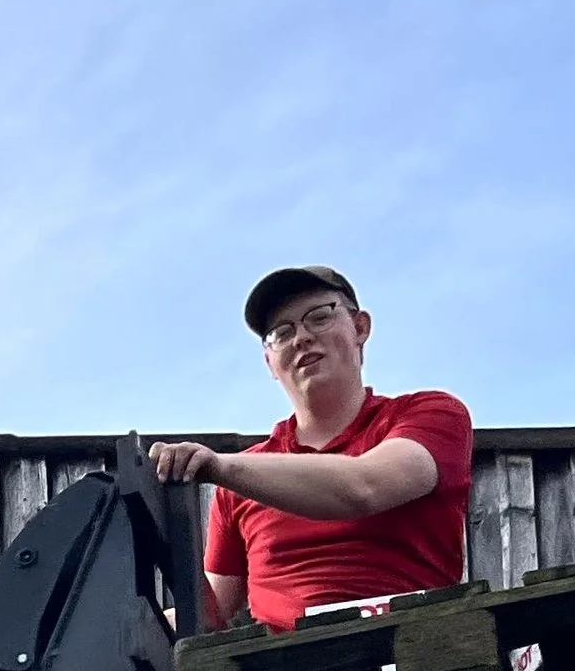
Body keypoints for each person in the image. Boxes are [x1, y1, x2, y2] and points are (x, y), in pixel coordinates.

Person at [150, 269, 473, 630]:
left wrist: (219, 467)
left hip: (414, 656)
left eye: (318, 317)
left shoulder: (430, 414)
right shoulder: (238, 486)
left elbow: (365, 487)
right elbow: (212, 610)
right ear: (269, 362)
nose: (301, 338)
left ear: (360, 328)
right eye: (281, 333)